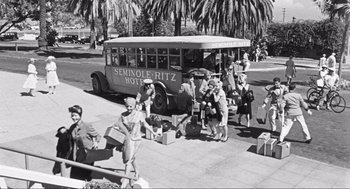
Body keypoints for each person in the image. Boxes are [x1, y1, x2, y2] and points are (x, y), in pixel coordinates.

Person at [117, 97, 160, 188]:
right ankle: (137, 171)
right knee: (132, 157)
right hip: (128, 140)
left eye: (131, 106)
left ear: (135, 106)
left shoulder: (139, 115)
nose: (129, 108)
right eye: (127, 106)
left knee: (128, 160)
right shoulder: (123, 115)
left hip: (136, 140)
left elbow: (145, 124)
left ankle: (125, 180)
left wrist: (153, 132)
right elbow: (118, 126)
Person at [68, 105, 103, 181]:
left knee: (85, 177)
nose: (74, 118)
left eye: (76, 115)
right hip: (77, 155)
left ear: (80, 115)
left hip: (87, 155)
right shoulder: (72, 127)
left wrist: (95, 143)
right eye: (72, 115)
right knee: (74, 176)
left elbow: (97, 135)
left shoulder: (87, 126)